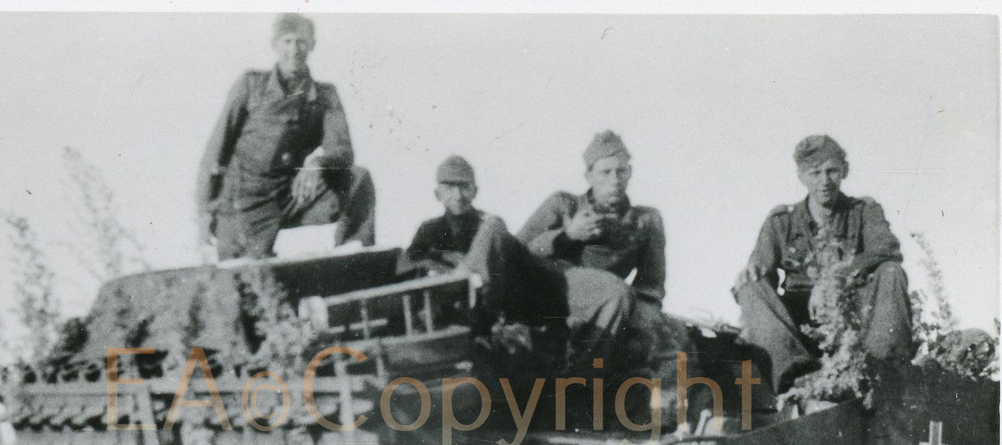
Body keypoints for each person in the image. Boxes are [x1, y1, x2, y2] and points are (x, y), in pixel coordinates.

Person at [395, 154, 631, 374]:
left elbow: (514, 259)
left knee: (494, 227)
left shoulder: (486, 224)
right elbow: (410, 267)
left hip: (504, 297)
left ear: (474, 191)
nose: (458, 195)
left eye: (464, 187)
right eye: (449, 187)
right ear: (438, 194)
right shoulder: (429, 230)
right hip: (460, 304)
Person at [732, 135, 913, 393]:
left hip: (853, 321)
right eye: (815, 173)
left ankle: (883, 370)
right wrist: (752, 273)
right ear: (802, 177)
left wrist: (834, 280)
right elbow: (761, 267)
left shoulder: (864, 211)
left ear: (844, 171)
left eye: (832, 171)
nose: (824, 181)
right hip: (798, 326)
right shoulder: (781, 221)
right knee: (750, 286)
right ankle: (797, 374)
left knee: (892, 272)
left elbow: (887, 249)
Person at [195, 13, 376, 261]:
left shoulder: (324, 96)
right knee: (250, 285)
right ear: (275, 45)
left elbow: (343, 150)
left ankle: (354, 255)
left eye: (301, 42)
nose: (294, 50)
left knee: (357, 179)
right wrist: (204, 212)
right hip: (241, 205)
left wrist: (317, 164)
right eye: (287, 41)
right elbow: (215, 152)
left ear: (312, 45)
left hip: (288, 196)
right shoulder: (250, 86)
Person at [516, 131, 668, 372]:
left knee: (661, 340)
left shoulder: (645, 220)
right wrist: (567, 235)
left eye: (622, 171)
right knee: (615, 293)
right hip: (556, 294)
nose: (615, 179)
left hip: (611, 305)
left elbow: (652, 282)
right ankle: (580, 384)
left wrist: (646, 310)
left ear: (630, 174)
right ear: (589, 176)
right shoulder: (564, 205)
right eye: (605, 172)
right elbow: (517, 251)